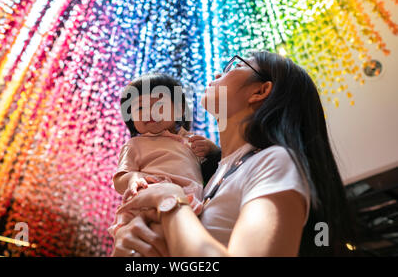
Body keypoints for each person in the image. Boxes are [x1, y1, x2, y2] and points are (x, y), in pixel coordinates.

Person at [111, 50, 356, 257]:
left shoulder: (273, 161)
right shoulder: (213, 177)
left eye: (236, 65)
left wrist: (170, 202)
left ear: (260, 91)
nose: (218, 74)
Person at [108, 73, 220, 239]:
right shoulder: (135, 145)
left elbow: (217, 170)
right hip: (148, 202)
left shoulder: (192, 141)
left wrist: (213, 152)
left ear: (180, 109)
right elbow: (119, 179)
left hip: (190, 205)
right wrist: (134, 178)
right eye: (140, 108)